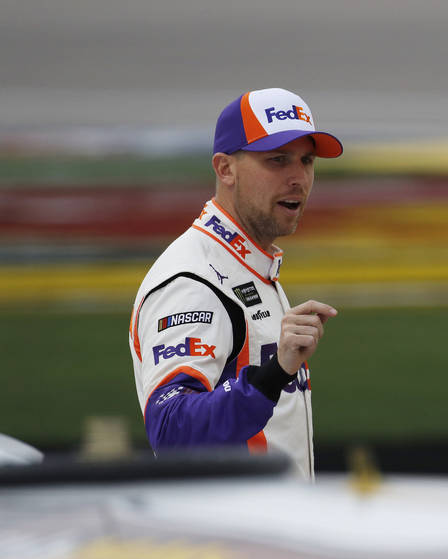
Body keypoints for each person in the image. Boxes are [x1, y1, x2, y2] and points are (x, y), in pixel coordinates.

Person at [129, 88, 341, 478]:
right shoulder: (193, 280)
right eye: (277, 160)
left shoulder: (246, 266)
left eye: (306, 161)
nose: (298, 178)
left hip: (270, 531)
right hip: (237, 534)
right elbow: (172, 429)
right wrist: (274, 372)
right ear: (225, 169)